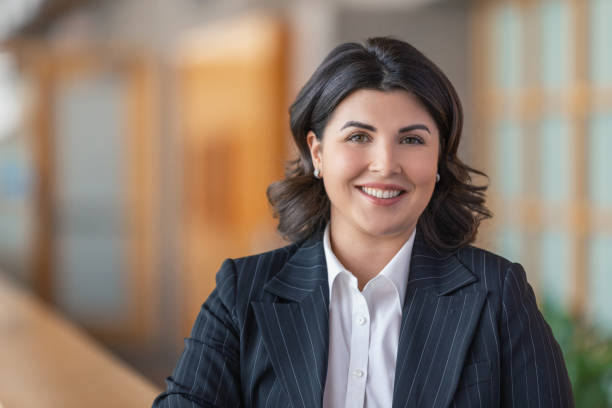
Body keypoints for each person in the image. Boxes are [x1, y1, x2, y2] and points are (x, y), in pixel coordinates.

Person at [153, 37, 574, 407]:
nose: (385, 164)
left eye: (411, 140)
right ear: (317, 153)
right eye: (358, 137)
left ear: (439, 158)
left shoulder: (497, 294)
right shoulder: (241, 292)